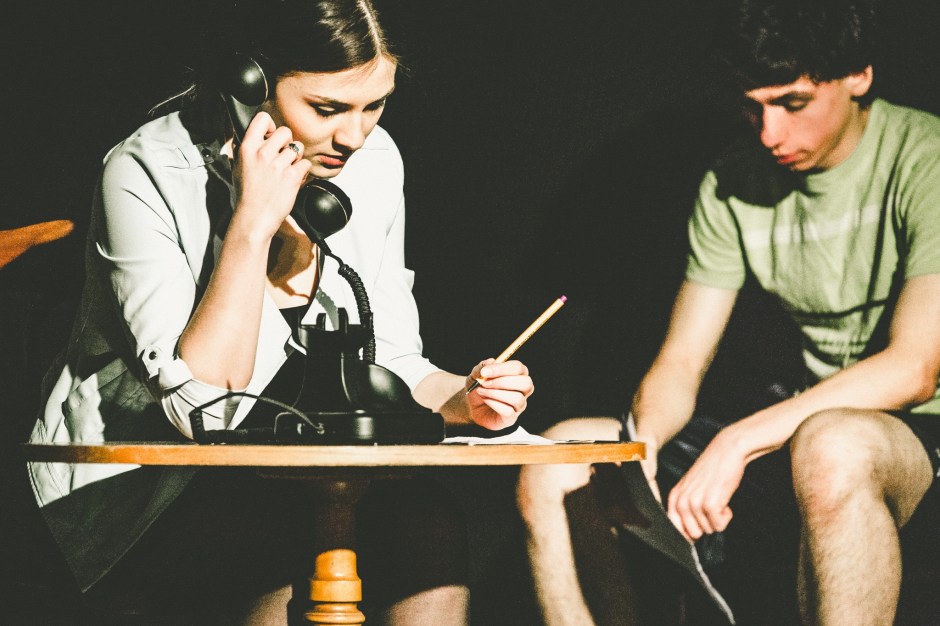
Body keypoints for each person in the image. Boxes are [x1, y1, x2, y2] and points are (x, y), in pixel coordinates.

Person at [24, 0, 533, 623]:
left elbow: (391, 360)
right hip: (150, 485)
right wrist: (252, 224)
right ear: (250, 85)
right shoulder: (148, 168)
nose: (355, 136)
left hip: (302, 471)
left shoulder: (373, 161)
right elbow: (204, 406)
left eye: (375, 105)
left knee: (427, 520)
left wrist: (467, 399)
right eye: (327, 109)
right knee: (271, 530)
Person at [517, 0, 940, 624]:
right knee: (559, 459)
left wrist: (737, 441)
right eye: (752, 107)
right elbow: (682, 361)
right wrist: (643, 445)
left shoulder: (926, 158)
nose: (769, 134)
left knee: (834, 444)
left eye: (793, 104)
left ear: (859, 76)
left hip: (914, 431)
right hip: (804, 422)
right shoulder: (733, 181)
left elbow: (915, 368)